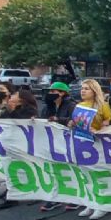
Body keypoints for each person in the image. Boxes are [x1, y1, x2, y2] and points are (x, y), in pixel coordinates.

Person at [73, 80, 111, 220]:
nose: (83, 91)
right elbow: (75, 123)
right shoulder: (79, 106)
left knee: (101, 175)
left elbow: (110, 125)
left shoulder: (103, 106)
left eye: (87, 89)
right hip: (83, 143)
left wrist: (99, 130)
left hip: (100, 145)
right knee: (87, 175)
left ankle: (103, 205)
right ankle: (91, 202)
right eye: (82, 88)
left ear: (94, 91)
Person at [0, 89, 39, 210]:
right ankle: (11, 193)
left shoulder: (30, 110)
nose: (12, 96)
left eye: (14, 95)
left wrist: (12, 110)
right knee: (10, 169)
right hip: (9, 143)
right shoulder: (9, 108)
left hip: (23, 145)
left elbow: (21, 122)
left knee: (27, 169)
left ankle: (29, 193)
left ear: (21, 99)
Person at [38, 82, 78, 212]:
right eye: (50, 92)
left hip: (67, 141)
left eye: (54, 92)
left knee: (70, 170)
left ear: (62, 93)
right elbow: (43, 119)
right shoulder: (48, 106)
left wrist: (58, 120)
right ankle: (55, 198)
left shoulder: (71, 105)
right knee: (54, 170)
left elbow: (74, 121)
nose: (51, 94)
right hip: (51, 141)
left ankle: (74, 196)